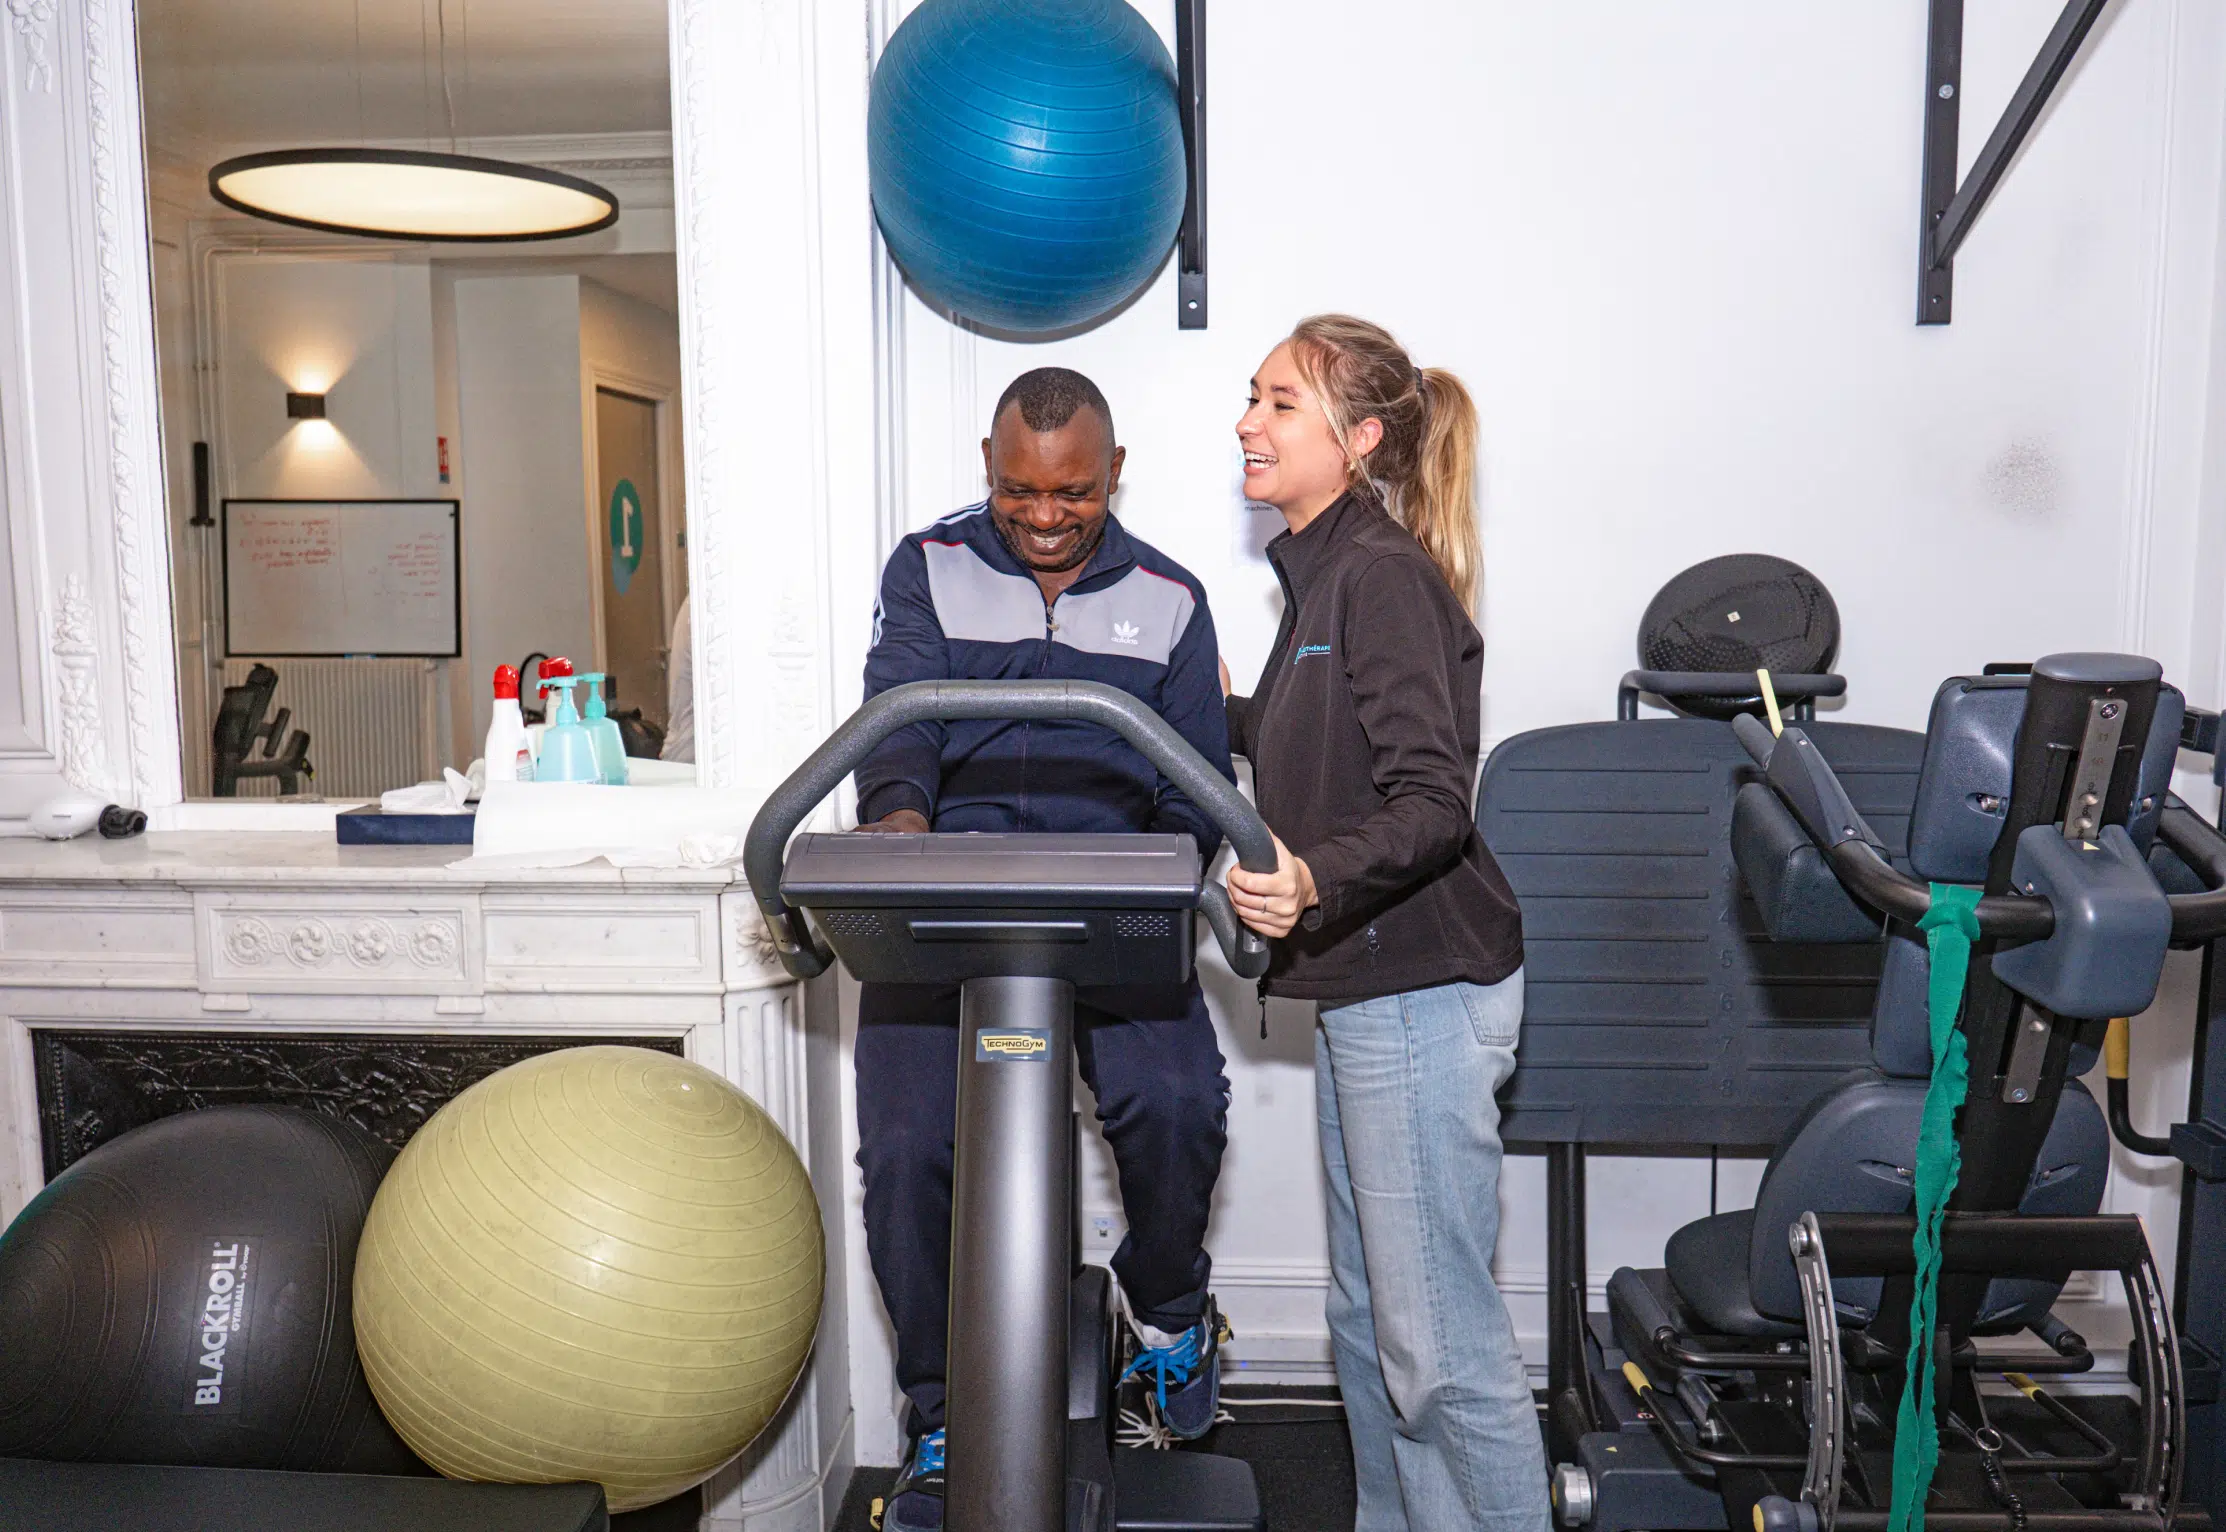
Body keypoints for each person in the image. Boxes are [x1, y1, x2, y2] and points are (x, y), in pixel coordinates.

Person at [854, 367, 1236, 1532]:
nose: (1046, 515)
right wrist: (900, 828)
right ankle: (942, 1413)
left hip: (1109, 896)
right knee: (909, 1147)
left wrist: (1170, 867)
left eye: (1073, 492)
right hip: (950, 900)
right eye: (1020, 489)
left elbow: (1195, 782)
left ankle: (1165, 1311)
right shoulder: (927, 566)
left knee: (1177, 1100)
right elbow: (899, 722)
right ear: (989, 463)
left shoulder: (1170, 598)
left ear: (1114, 472)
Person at [1220, 315, 1548, 1531]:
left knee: (1437, 1345)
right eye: (1252, 398)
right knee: (1369, 1322)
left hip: (1424, 989)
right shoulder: (1323, 574)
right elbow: (1323, 740)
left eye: (1280, 404)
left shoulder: (1380, 575)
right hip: (1374, 990)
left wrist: (1313, 879)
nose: (1249, 424)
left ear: (1359, 439)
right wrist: (1208, 709)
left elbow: (1431, 803)